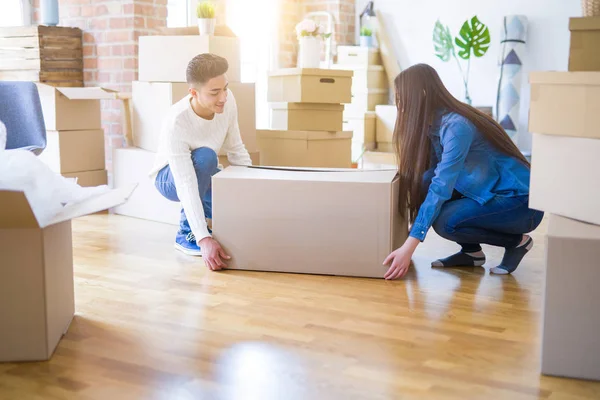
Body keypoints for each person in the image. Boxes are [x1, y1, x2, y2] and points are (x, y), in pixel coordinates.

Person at [383, 64, 543, 280]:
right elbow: (431, 179)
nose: (398, 105)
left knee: (446, 222)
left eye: (401, 98)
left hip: (521, 203)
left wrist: (409, 247)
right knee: (424, 179)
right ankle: (472, 254)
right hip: (489, 192)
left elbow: (441, 187)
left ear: (420, 95)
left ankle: (518, 243)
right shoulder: (433, 125)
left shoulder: (457, 127)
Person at [150, 53, 253, 271]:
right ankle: (184, 232)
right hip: (170, 179)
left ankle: (206, 221)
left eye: (225, 88)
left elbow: (236, 149)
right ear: (194, 93)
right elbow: (186, 183)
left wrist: (252, 188)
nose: (223, 97)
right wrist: (202, 238)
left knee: (236, 218)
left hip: (206, 171)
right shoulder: (177, 121)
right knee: (206, 156)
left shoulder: (228, 100)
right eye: (215, 92)